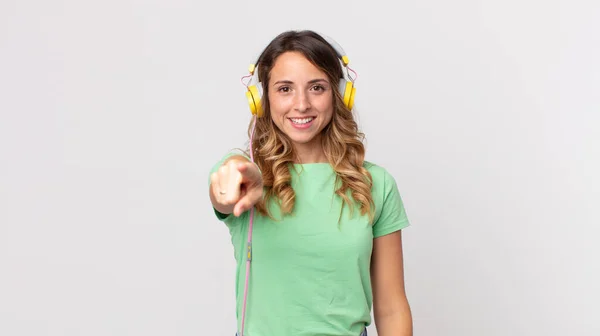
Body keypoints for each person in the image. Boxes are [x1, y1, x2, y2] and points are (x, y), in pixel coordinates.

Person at [208, 29, 412, 336]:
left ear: (339, 94)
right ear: (262, 100)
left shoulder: (376, 184)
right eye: (285, 89)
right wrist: (234, 179)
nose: (301, 104)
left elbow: (391, 308)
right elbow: (224, 190)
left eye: (316, 87)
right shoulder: (245, 177)